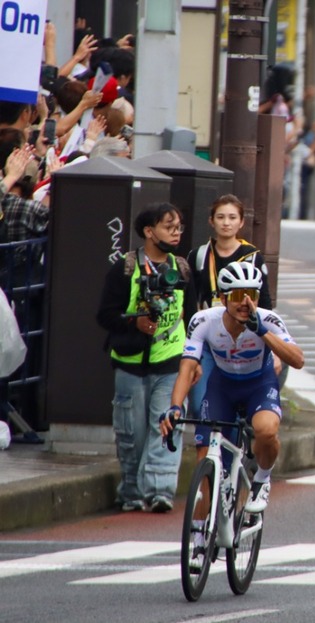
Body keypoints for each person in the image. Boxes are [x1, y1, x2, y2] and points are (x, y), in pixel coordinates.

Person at [159, 262, 304, 522]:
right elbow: (187, 367)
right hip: (223, 387)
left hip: (258, 385)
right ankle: (200, 539)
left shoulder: (268, 320)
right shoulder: (204, 321)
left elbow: (298, 359)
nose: (245, 302)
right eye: (237, 295)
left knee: (266, 430)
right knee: (205, 460)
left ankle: (261, 479)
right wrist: (175, 407)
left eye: (252, 294)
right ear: (223, 298)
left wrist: (261, 330)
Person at [95, 203, 193, 512]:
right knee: (131, 434)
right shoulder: (125, 268)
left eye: (179, 228)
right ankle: (132, 493)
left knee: (167, 424)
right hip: (130, 361)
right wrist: (133, 321)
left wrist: (194, 360)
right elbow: (104, 315)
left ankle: (160, 492)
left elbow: (193, 317)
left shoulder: (183, 270)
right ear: (149, 232)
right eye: (169, 227)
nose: (176, 233)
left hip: (171, 361)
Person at [185, 194, 274, 446]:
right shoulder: (199, 256)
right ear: (211, 221)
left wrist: (270, 345)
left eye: (232, 217)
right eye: (221, 217)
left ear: (241, 223)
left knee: (236, 412)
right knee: (202, 405)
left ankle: (231, 461)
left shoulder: (252, 256)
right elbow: (191, 303)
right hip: (211, 337)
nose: (226, 223)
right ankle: (213, 469)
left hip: (245, 338)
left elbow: (265, 303)